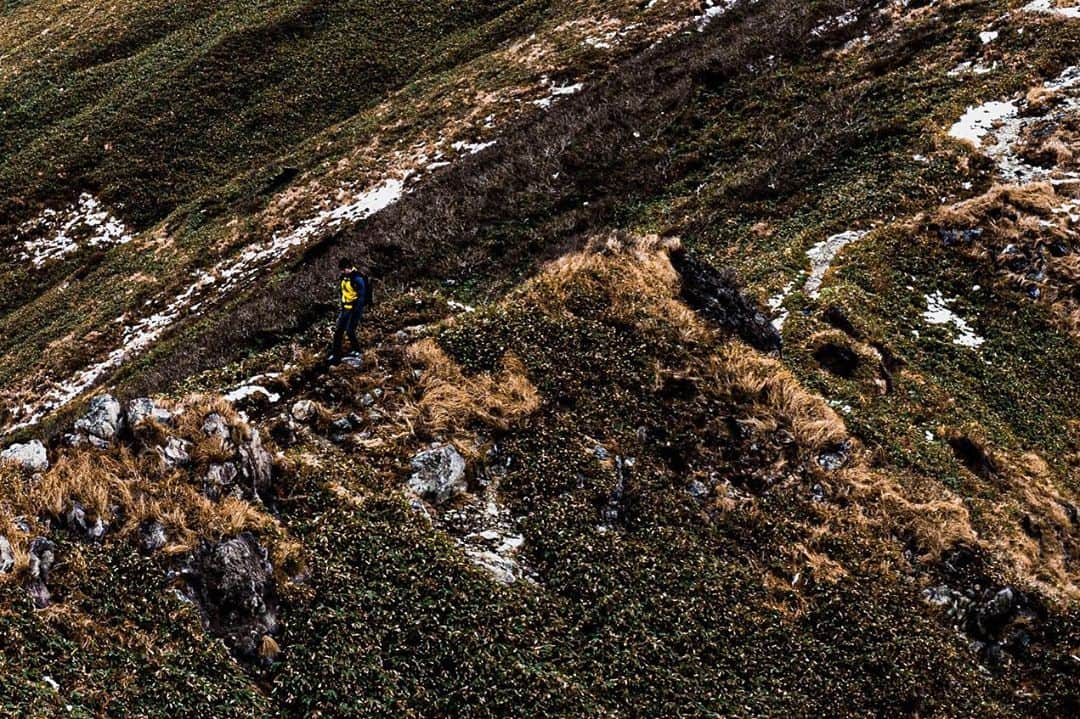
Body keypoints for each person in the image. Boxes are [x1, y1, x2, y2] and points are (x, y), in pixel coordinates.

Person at [327, 257, 367, 365]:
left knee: (350, 330)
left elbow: (362, 296)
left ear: (348, 268)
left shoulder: (357, 278)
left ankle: (357, 351)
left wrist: (356, 309)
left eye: (343, 270)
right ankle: (336, 353)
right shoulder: (345, 277)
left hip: (354, 308)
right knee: (338, 331)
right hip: (345, 308)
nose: (342, 272)